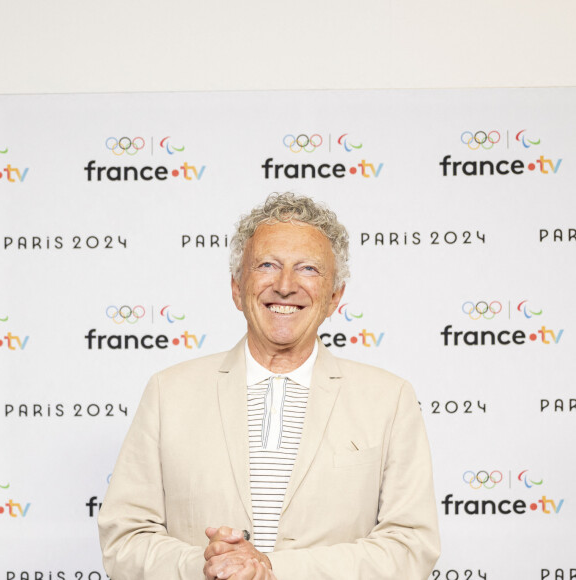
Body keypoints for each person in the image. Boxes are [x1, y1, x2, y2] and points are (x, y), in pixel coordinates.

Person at [98, 192, 440, 580]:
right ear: (236, 288)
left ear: (334, 297)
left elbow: (411, 546)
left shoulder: (388, 399)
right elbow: (124, 538)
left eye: (308, 269)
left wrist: (274, 568)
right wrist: (207, 566)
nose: (285, 285)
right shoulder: (168, 392)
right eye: (267, 265)